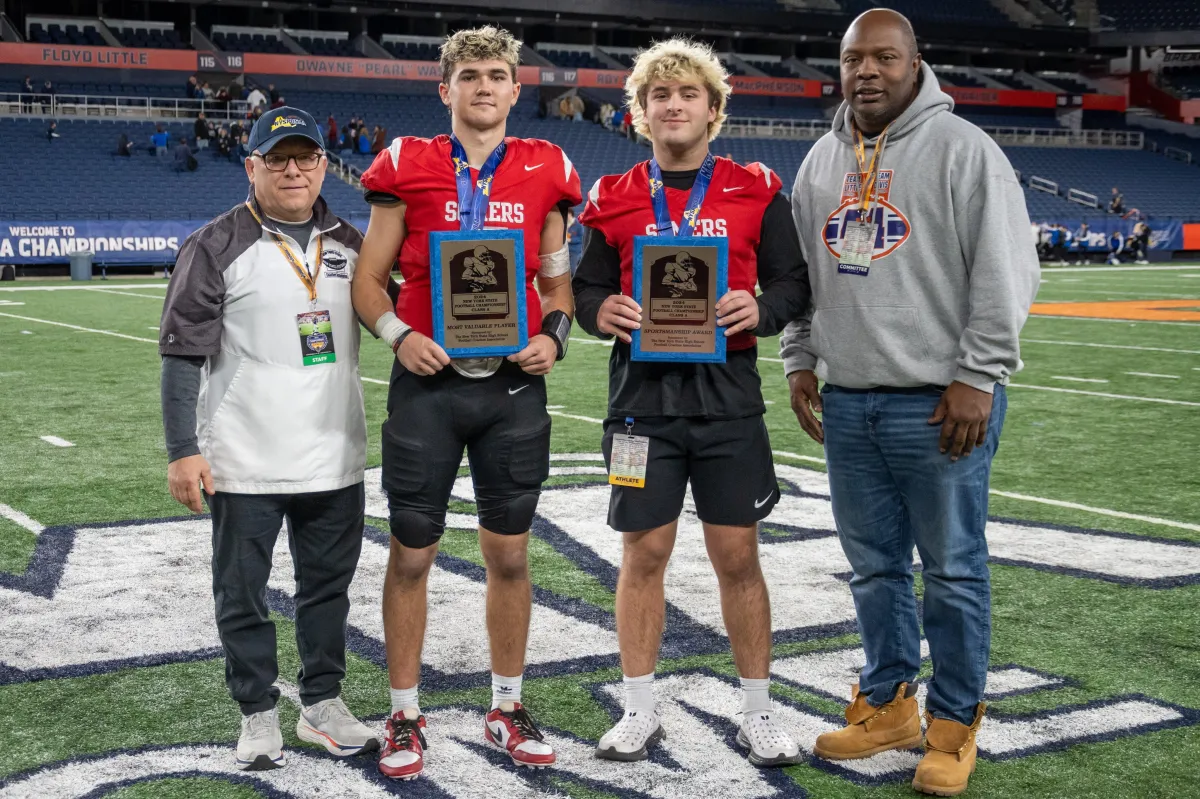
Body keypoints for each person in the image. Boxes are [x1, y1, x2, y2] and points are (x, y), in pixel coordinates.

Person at [782, 10, 1039, 796]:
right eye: (853, 58)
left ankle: (954, 724)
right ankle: (889, 703)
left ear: (915, 63)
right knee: (874, 570)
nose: (867, 71)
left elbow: (1006, 271)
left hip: (939, 402)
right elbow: (803, 276)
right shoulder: (821, 159)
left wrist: (978, 375)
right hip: (850, 401)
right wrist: (800, 359)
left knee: (953, 570)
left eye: (885, 57)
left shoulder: (965, 149)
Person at [352, 24, 581, 781]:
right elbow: (368, 279)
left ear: (516, 89)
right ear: (445, 88)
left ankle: (506, 704)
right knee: (412, 552)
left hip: (512, 387)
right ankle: (404, 711)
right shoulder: (408, 164)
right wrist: (397, 336)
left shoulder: (547, 167)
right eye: (470, 75)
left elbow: (557, 285)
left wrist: (553, 337)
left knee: (509, 554)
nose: (484, 86)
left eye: (497, 75)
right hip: (430, 383)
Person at [573, 37, 809, 768]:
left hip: (727, 399)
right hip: (641, 404)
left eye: (687, 94)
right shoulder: (613, 195)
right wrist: (599, 310)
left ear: (714, 109)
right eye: (659, 95)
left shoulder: (756, 188)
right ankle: (639, 709)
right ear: (640, 113)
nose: (673, 105)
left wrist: (761, 310)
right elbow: (585, 288)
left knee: (737, 555)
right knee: (643, 552)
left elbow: (794, 283)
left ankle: (758, 711)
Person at [158, 106, 379, 773]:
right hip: (243, 457)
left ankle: (322, 703)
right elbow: (181, 356)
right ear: (251, 166)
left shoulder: (352, 242)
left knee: (327, 590)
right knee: (242, 592)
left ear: (323, 166)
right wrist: (182, 449)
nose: (292, 170)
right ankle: (256, 710)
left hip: (334, 454)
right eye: (276, 159)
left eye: (304, 157)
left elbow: (406, 308)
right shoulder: (214, 244)